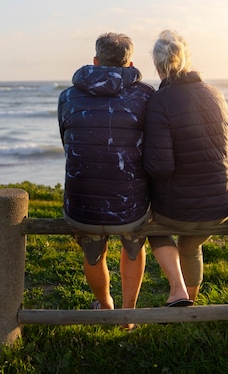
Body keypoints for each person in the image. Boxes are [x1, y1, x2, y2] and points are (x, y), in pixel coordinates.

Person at [57, 32, 154, 322]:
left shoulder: (68, 96)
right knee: (134, 245)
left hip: (81, 204)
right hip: (131, 205)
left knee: (92, 253)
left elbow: (67, 141)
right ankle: (128, 314)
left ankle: (106, 304)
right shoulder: (147, 95)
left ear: (96, 61)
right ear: (130, 63)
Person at [143, 29, 228, 306]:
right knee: (191, 245)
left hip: (177, 209)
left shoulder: (160, 101)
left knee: (152, 228)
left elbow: (160, 166)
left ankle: (178, 290)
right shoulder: (215, 94)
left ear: (159, 66)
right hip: (219, 204)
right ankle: (189, 306)